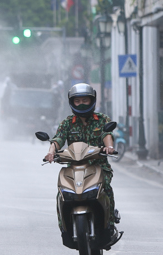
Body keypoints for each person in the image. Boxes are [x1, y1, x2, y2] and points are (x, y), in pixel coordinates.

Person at [44, 83, 120, 234]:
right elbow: (58, 139)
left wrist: (109, 147)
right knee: (61, 193)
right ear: (72, 103)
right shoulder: (67, 122)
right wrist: (51, 152)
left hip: (98, 167)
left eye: (84, 100)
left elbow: (107, 135)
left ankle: (109, 223)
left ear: (92, 101)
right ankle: (64, 228)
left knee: (106, 188)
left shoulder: (101, 119)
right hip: (74, 168)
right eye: (77, 101)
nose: (81, 104)